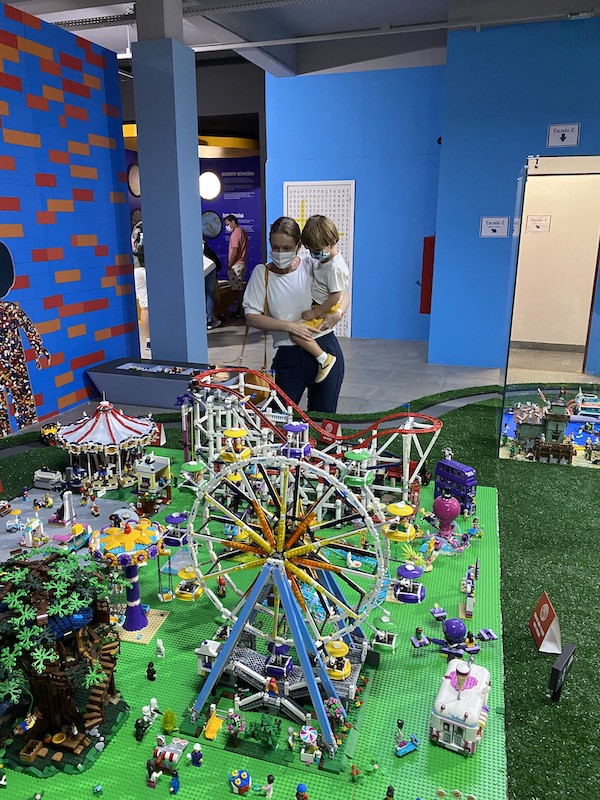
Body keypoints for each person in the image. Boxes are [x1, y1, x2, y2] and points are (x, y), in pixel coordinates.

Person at [243, 216, 347, 414]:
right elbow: (251, 316)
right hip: (288, 355)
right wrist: (290, 327)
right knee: (278, 420)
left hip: (325, 346)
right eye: (276, 247)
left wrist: (339, 313)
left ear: (299, 246)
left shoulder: (312, 265)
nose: (280, 253)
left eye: (287, 248)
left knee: (323, 421)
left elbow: (342, 292)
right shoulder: (262, 273)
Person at [287, 215, 348, 383]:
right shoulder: (324, 261)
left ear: (332, 242)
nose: (313, 254)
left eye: (317, 249)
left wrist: (316, 313)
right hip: (320, 306)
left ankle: (324, 359)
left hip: (325, 309)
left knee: (294, 332)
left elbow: (336, 296)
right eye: (310, 250)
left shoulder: (334, 268)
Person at [224, 214, 248, 317]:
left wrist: (229, 264)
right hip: (242, 263)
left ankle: (241, 311)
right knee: (239, 288)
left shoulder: (235, 233)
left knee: (237, 290)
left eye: (228, 224)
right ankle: (240, 309)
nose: (227, 227)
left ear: (233, 222)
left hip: (236, 265)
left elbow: (235, 251)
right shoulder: (242, 231)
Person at [132, 220, 150, 351]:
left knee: (145, 307)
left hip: (137, 269)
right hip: (150, 267)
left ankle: (149, 341)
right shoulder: (154, 224)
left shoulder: (137, 227)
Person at [203, 239, 221, 329]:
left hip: (202, 269)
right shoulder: (205, 246)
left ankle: (204, 319)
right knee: (209, 294)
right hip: (211, 267)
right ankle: (210, 321)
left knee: (201, 295)